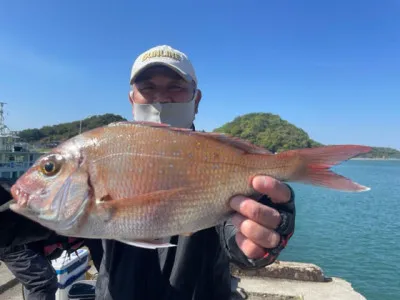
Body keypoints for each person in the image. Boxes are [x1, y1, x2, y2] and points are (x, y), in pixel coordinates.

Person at [95, 45, 296, 300]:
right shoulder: (103, 158)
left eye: (176, 87)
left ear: (197, 99)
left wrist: (264, 238)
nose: (162, 98)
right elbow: (44, 227)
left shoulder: (219, 160)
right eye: (148, 87)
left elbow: (240, 242)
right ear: (132, 99)